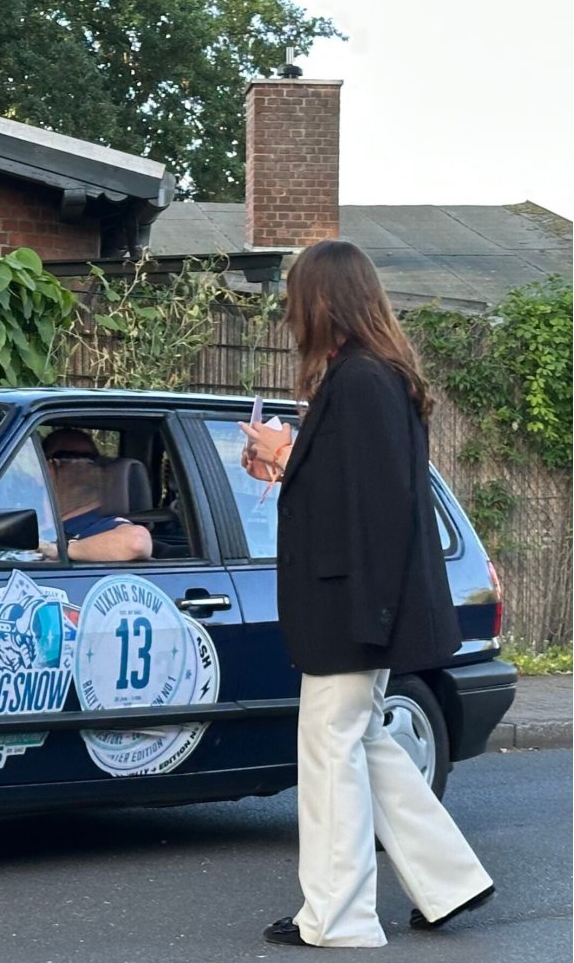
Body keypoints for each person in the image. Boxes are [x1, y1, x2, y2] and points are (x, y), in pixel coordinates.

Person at [239, 239, 494, 949]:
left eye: (296, 297)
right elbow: (354, 490)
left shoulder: (360, 381)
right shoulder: (372, 375)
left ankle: (339, 917)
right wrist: (288, 461)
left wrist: (286, 456)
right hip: (359, 602)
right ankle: (449, 880)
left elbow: (378, 508)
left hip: (353, 606)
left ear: (324, 301)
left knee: (330, 751)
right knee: (362, 738)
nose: (290, 311)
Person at [39, 429, 152, 561]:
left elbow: (136, 543)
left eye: (91, 459)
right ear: (44, 466)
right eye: (67, 456)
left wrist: (62, 550)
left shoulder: (105, 526)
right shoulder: (32, 515)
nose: (82, 465)